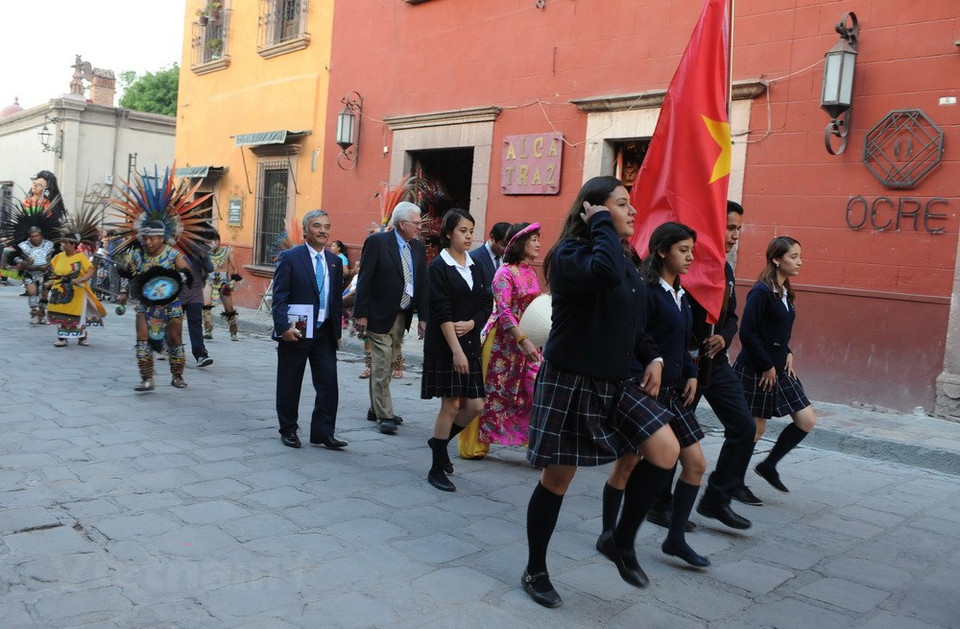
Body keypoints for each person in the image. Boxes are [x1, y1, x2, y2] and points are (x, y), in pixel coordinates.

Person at [521, 176, 680, 608]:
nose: (633, 212)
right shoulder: (570, 255)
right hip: (571, 379)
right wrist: (603, 226)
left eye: (631, 206)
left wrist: (654, 357)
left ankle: (619, 540)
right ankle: (535, 568)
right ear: (594, 210)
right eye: (622, 205)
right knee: (558, 479)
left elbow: (635, 321)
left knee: (666, 450)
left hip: (616, 381)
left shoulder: (625, 258)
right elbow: (603, 272)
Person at [639, 222, 710, 568]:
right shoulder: (648, 291)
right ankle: (618, 532)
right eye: (683, 250)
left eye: (692, 250)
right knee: (635, 467)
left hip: (676, 394)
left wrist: (692, 372)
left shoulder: (680, 294)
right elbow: (640, 337)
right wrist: (654, 361)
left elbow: (684, 342)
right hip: (651, 393)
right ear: (662, 250)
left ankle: (675, 539)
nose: (689, 257)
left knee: (696, 465)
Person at [691, 202, 758, 526]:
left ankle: (716, 499)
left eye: (738, 230)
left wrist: (724, 337)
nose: (735, 235)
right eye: (730, 228)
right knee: (675, 439)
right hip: (688, 367)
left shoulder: (726, 269)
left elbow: (731, 317)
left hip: (716, 365)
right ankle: (659, 503)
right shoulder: (688, 264)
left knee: (744, 427)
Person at [734, 236, 817, 493]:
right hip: (759, 370)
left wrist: (788, 351)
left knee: (806, 420)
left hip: (780, 369)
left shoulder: (785, 291)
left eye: (800, 256)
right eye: (793, 257)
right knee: (755, 431)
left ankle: (769, 464)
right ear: (775, 259)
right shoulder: (761, 291)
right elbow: (748, 332)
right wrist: (767, 364)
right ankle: (734, 483)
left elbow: (777, 332)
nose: (799, 262)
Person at [421, 209, 493, 491]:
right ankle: (437, 467)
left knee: (476, 405)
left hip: (470, 342)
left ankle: (439, 443)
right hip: (446, 346)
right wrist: (456, 350)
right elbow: (441, 311)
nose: (468, 236)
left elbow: (487, 302)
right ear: (449, 232)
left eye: (471, 230)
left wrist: (473, 322)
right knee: (450, 404)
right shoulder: (439, 267)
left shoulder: (475, 265)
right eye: (463, 230)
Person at [458, 222, 543, 460]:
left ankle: (534, 445)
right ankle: (473, 445)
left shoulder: (530, 271)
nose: (538, 243)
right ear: (520, 242)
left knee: (532, 391)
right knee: (489, 393)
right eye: (534, 239)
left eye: (539, 238)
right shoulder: (504, 272)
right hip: (502, 343)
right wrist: (523, 340)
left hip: (527, 340)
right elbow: (504, 311)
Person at [271, 209, 347, 450]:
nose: (323, 230)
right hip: (296, 331)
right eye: (317, 226)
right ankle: (289, 429)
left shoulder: (334, 261)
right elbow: (279, 296)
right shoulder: (290, 257)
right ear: (306, 230)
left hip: (324, 333)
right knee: (290, 381)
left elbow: (335, 300)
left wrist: (337, 333)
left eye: (326, 226)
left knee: (328, 383)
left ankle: (323, 433)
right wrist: (283, 327)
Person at [354, 201, 429, 434]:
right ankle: (384, 414)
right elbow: (364, 279)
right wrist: (361, 314)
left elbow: (422, 284)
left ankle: (375, 408)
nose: (420, 227)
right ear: (402, 223)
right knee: (383, 360)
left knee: (389, 360)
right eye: (416, 223)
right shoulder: (377, 242)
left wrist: (423, 317)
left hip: (402, 314)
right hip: (378, 313)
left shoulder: (417, 248)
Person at [117, 220, 193, 392]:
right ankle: (147, 379)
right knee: (142, 338)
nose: (148, 242)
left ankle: (177, 376)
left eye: (152, 238)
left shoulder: (173, 255)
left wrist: (173, 280)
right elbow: (127, 274)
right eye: (145, 238)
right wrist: (123, 291)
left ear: (161, 237)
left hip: (171, 305)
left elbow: (186, 273)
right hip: (145, 305)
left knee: (175, 340)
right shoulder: (137, 255)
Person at [46, 232, 104, 346]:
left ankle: (81, 336)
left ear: (74, 244)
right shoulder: (58, 257)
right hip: (59, 289)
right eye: (64, 243)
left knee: (76, 313)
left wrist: (81, 280)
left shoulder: (80, 257)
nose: (65, 245)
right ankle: (62, 337)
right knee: (60, 313)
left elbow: (91, 270)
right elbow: (52, 271)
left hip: (77, 291)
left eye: (68, 243)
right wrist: (50, 282)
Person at [203, 231, 242, 341]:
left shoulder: (227, 251)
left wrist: (233, 281)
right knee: (206, 305)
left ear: (218, 242)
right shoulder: (205, 253)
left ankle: (233, 331)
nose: (210, 244)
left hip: (224, 282)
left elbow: (235, 269)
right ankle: (208, 330)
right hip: (210, 281)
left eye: (212, 242)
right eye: (208, 242)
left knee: (229, 308)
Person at [14, 226, 54, 324]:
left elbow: (56, 257)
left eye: (37, 236)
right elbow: (15, 258)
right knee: (32, 293)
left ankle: (42, 313)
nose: (35, 238)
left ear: (41, 235)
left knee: (44, 295)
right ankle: (34, 313)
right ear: (29, 237)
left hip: (45, 273)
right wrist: (24, 263)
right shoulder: (23, 246)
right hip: (30, 272)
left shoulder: (49, 245)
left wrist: (50, 264)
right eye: (32, 236)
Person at [182, 251, 215, 368]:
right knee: (173, 322)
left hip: (195, 292)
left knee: (195, 322)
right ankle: (169, 346)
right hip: (176, 292)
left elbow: (210, 268)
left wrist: (204, 255)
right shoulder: (173, 248)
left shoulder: (199, 249)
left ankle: (200, 354)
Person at [469, 221, 510, 289]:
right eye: (503, 245)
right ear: (492, 237)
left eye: (509, 246)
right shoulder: (473, 258)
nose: (506, 250)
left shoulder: (508, 259)